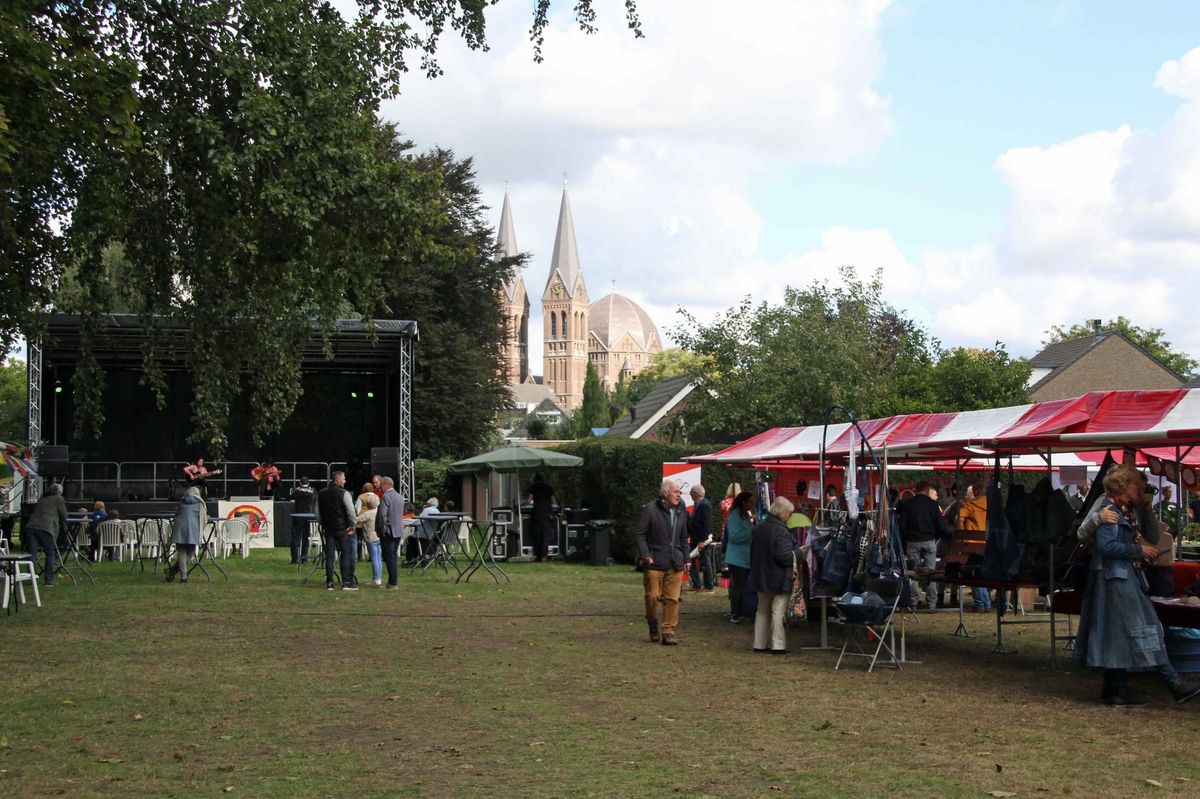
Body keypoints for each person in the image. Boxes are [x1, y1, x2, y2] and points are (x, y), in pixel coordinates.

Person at [1074, 463, 1200, 706]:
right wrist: (1138, 550)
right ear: (1123, 486)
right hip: (1116, 577)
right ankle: (1173, 683)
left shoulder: (1127, 510)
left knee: (1117, 633)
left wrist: (1146, 510)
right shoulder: (1108, 509)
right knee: (1146, 627)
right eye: (1137, 487)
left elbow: (1151, 534)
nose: (1142, 492)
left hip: (1120, 576)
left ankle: (1116, 688)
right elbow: (1103, 545)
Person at [635, 478, 689, 645]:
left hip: (676, 561)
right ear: (665, 493)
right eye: (675, 492)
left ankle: (668, 631)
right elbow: (639, 534)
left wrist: (686, 558)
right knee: (653, 597)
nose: (679, 495)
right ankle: (652, 623)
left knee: (673, 598)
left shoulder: (681, 510)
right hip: (655, 560)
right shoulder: (650, 509)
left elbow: (683, 537)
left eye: (680, 492)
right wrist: (646, 554)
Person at [747, 496, 797, 654]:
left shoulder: (760, 527)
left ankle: (759, 643)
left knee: (762, 610)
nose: (789, 517)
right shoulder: (782, 531)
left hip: (761, 575)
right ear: (783, 514)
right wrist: (799, 553)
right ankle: (778, 644)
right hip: (778, 577)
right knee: (777, 611)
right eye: (789, 513)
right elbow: (785, 557)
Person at [900, 481, 949, 609]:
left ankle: (913, 602)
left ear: (916, 490)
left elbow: (902, 525)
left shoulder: (908, 504)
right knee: (931, 572)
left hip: (913, 541)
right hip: (929, 540)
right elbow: (940, 525)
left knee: (913, 572)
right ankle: (932, 602)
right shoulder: (932, 504)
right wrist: (942, 536)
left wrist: (905, 539)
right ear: (927, 490)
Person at [318, 471, 358, 591]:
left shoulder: (321, 493)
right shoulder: (344, 493)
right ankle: (346, 582)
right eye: (344, 479)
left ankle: (330, 582)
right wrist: (353, 525)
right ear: (338, 480)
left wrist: (323, 523)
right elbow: (351, 512)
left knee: (330, 556)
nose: (345, 481)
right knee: (345, 555)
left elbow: (317, 513)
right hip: (342, 529)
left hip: (328, 529)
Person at [24, 483, 67, 586]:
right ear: (59, 492)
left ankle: (31, 579)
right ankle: (49, 580)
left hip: (31, 526)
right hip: (45, 528)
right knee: (50, 553)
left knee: (32, 554)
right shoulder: (59, 499)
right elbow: (64, 515)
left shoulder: (42, 499)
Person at [724, 491, 755, 624]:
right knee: (738, 586)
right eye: (751, 501)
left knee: (742, 585)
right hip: (736, 558)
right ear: (744, 502)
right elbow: (734, 536)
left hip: (744, 556)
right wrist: (751, 531)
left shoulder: (745, 515)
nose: (752, 503)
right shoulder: (734, 516)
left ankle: (741, 611)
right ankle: (735, 613)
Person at [958, 480, 990, 612]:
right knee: (983, 573)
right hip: (988, 544)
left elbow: (959, 518)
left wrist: (962, 533)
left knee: (974, 574)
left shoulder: (970, 506)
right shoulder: (991, 504)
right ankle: (986, 602)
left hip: (973, 545)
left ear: (975, 492)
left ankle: (980, 603)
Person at [165, 486, 205, 583]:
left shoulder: (182, 502)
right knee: (191, 553)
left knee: (182, 552)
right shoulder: (200, 504)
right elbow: (203, 518)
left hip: (179, 529)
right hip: (192, 530)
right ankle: (182, 576)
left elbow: (178, 513)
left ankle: (176, 571)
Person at [377, 476, 406, 589]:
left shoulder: (385, 497)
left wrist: (383, 530)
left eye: (381, 485)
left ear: (385, 484)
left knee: (389, 557)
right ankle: (392, 581)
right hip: (398, 531)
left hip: (388, 531)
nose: (380, 487)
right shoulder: (400, 497)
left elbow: (382, 515)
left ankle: (393, 582)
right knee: (392, 556)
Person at [687, 484, 715, 592]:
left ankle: (709, 586)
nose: (689, 494)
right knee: (692, 560)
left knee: (705, 561)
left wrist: (702, 541)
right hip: (696, 538)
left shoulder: (704, 505)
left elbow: (706, 524)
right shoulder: (699, 504)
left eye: (691, 492)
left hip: (702, 539)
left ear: (696, 493)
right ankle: (696, 584)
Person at [526, 473, 556, 562]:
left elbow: (529, 501)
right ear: (543, 480)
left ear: (535, 480)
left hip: (537, 514)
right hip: (547, 514)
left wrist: (522, 503)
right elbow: (553, 501)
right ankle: (544, 556)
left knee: (537, 536)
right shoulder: (549, 488)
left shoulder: (533, 488)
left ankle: (538, 555)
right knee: (545, 536)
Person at [356, 483, 382, 586]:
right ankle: (378, 578)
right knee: (379, 558)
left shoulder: (368, 513)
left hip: (371, 537)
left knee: (374, 558)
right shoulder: (378, 511)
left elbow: (357, 518)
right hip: (379, 536)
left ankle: (376, 579)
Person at [289, 477, 316, 564]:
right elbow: (314, 498)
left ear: (300, 483)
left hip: (297, 516)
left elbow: (291, 496)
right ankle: (304, 557)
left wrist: (298, 489)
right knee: (305, 538)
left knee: (295, 538)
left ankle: (295, 558)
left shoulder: (297, 491)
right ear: (308, 483)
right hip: (308, 517)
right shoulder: (312, 491)